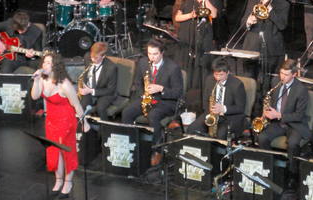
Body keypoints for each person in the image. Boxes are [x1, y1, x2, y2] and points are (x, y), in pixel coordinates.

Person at [30, 52, 89, 197]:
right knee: (54, 150)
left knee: (66, 150)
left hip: (66, 119)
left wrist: (84, 122)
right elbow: (34, 96)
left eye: (49, 63)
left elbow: (76, 105)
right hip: (51, 120)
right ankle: (59, 180)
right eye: (44, 62)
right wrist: (36, 81)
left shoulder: (64, 84)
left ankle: (68, 182)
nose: (45, 65)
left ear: (55, 66)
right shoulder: (42, 79)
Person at [120, 37, 185, 167]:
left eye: (155, 54)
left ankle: (157, 150)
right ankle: (132, 144)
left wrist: (161, 89)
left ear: (162, 53)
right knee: (126, 112)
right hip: (147, 98)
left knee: (153, 116)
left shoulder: (173, 68)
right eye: (149, 53)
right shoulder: (143, 62)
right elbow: (137, 83)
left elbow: (178, 93)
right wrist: (142, 94)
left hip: (165, 101)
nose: (151, 57)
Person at [255, 60, 312, 182]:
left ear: (294, 74)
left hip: (294, 124)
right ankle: (269, 167)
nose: (282, 77)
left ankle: (291, 173)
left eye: (286, 75)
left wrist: (279, 115)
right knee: (262, 138)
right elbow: (272, 102)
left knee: (292, 143)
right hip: (277, 122)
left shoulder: (301, 90)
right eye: (281, 73)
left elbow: (299, 116)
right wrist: (266, 114)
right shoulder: (276, 82)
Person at [172, 0, 217, 90]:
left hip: (203, 33)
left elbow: (214, 14)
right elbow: (177, 17)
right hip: (186, 33)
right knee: (186, 60)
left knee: (201, 60)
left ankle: (200, 88)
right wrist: (191, 15)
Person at [243, 0, 289, 82]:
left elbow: (282, 25)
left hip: (271, 49)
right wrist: (248, 22)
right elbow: (243, 22)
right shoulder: (252, 1)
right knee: (249, 80)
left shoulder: (283, 4)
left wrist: (270, 9)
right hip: (252, 46)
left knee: (267, 81)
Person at [189, 57, 248, 140]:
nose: (218, 78)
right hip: (212, 114)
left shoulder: (237, 85)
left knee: (221, 134)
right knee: (192, 129)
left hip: (229, 116)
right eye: (216, 74)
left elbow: (240, 108)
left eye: (221, 75)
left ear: (228, 72)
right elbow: (205, 101)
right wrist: (209, 115)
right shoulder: (209, 80)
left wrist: (223, 109)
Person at [76, 41, 118, 119]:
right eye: (92, 57)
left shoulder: (111, 68)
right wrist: (82, 87)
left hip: (104, 93)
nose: (93, 60)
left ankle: (104, 126)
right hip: (88, 90)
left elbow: (111, 89)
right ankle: (84, 125)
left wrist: (91, 91)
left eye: (97, 58)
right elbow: (86, 75)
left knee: (100, 108)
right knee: (81, 105)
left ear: (103, 56)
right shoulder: (87, 57)